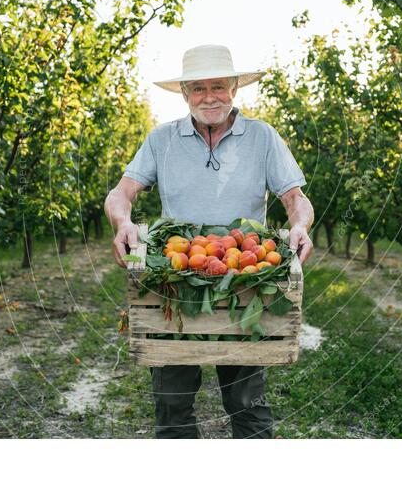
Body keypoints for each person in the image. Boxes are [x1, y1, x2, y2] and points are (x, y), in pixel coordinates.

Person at [104, 44, 314, 438]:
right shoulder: (162, 139)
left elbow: (295, 198)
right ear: (185, 95)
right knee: (172, 404)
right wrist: (123, 221)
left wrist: (299, 226)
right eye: (198, 89)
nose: (209, 97)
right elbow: (122, 191)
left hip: (244, 281)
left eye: (218, 86)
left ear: (234, 87)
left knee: (247, 405)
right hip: (176, 282)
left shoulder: (262, 137)